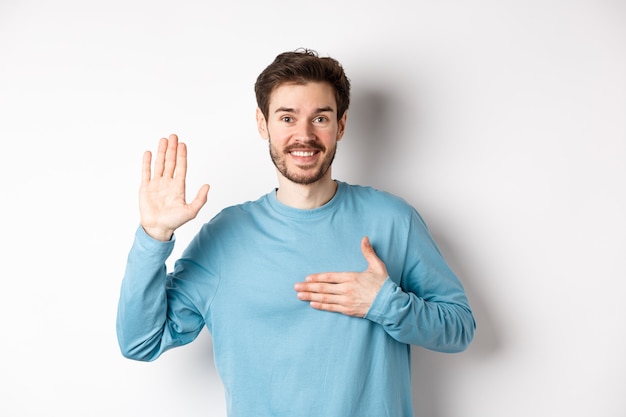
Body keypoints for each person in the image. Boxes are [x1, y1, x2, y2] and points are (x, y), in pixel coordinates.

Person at [116, 48, 476, 417]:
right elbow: (140, 342)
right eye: (287, 117)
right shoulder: (225, 237)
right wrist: (154, 236)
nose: (304, 135)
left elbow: (460, 328)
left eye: (320, 118)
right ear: (263, 123)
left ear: (341, 124)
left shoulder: (393, 220)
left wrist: (386, 305)